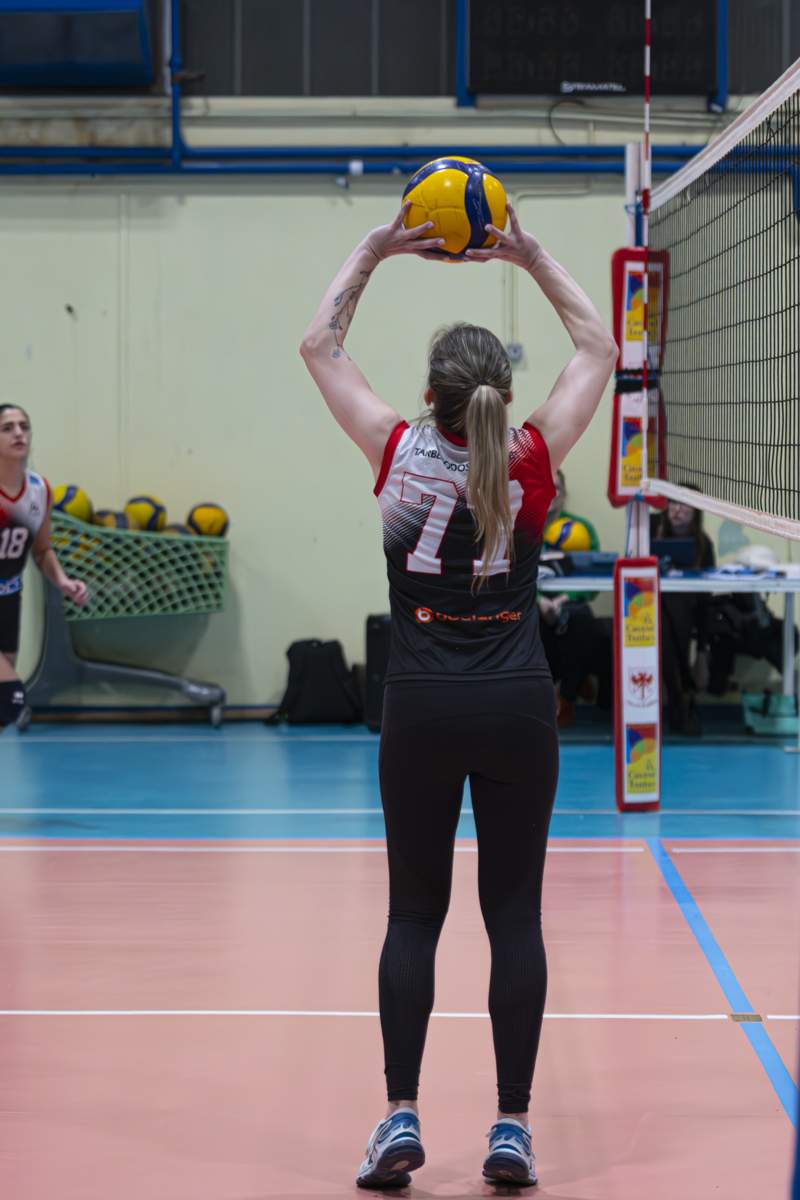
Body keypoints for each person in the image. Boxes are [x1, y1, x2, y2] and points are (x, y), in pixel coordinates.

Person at [301, 202, 616, 1188]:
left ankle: (399, 1116)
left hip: (421, 706)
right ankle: (510, 1128)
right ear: (500, 394)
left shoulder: (394, 450)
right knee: (513, 917)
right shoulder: (531, 457)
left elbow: (318, 346)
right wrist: (528, 254)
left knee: (413, 916)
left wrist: (377, 247)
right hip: (517, 702)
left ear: (430, 396)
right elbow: (599, 348)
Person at [0, 404, 87, 727]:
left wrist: (62, 581)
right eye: (7, 428)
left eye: (24, 426)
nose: (18, 433)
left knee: (3, 710)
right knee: (10, 697)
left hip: (9, 600)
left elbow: (42, 550)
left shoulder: (40, 490)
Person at [538, 469, 612, 725]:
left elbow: (593, 582)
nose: (550, 492)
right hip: (534, 604)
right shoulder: (520, 528)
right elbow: (513, 577)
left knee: (585, 631)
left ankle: (567, 699)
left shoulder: (581, 529)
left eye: (556, 487)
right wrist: (540, 600)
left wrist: (564, 598)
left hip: (571, 604)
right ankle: (542, 700)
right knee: (527, 629)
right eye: (544, 486)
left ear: (563, 494)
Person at [652, 497, 715, 736]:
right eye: (673, 503)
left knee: (672, 609)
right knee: (664, 614)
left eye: (684, 504)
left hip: (686, 615)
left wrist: (702, 653)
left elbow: (706, 601)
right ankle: (682, 695)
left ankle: (678, 695)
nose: (677, 509)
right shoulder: (649, 530)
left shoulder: (703, 545)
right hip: (650, 611)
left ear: (696, 511)